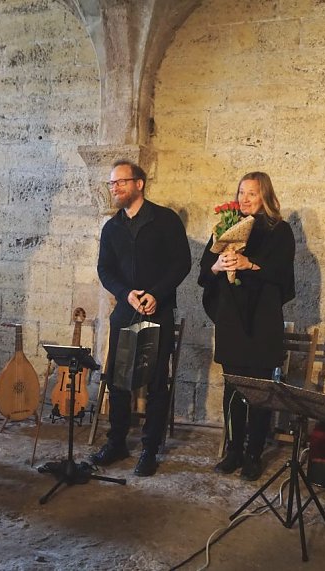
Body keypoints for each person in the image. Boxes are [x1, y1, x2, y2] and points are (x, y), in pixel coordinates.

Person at [92, 159, 191, 477]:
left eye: (120, 182)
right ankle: (117, 442)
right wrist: (126, 293)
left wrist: (156, 294)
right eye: (111, 183)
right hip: (125, 311)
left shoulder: (165, 220)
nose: (115, 188)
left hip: (156, 311)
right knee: (118, 381)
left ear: (139, 184)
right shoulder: (112, 227)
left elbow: (181, 264)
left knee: (157, 383)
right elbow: (104, 269)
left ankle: (149, 448)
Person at [199, 172, 296, 481]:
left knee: (260, 391)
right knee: (233, 388)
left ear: (265, 195)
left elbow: (282, 273)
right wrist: (218, 266)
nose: (244, 198)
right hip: (232, 320)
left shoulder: (279, 231)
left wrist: (248, 264)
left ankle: (254, 453)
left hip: (262, 320)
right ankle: (233, 450)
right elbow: (204, 271)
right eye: (241, 192)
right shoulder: (225, 228)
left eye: (252, 193)